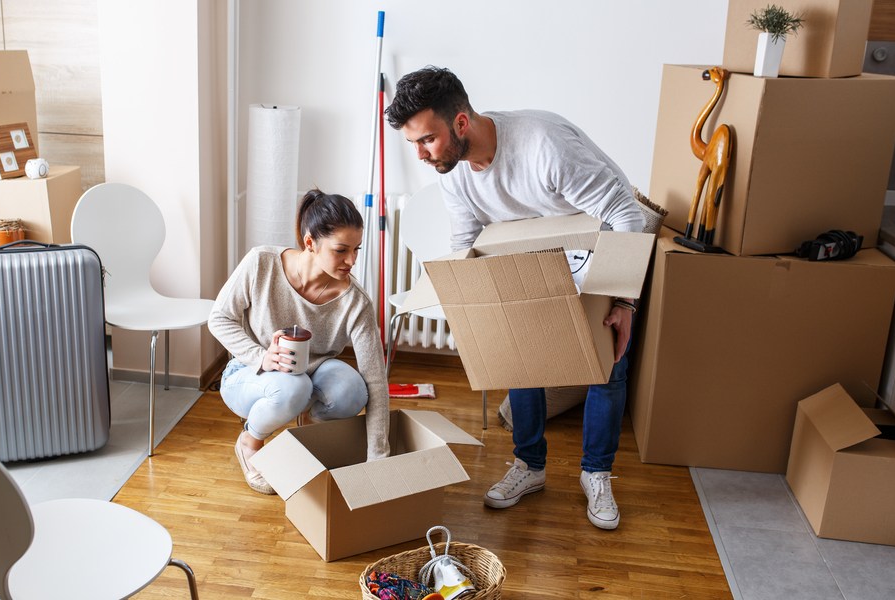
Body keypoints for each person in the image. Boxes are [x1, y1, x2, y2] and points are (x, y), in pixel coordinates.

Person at [385, 66, 644, 530]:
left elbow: (627, 216)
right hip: (534, 257)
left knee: (608, 366)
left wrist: (624, 302)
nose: (421, 155)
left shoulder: (545, 147)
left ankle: (597, 473)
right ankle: (531, 466)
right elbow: (467, 243)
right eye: (413, 144)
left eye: (427, 140)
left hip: (601, 247)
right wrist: (478, 314)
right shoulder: (454, 173)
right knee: (521, 356)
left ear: (461, 123)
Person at [208, 189, 390, 494]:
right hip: (249, 374)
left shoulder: (355, 302)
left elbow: (375, 382)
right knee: (294, 386)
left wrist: (378, 458)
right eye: (341, 250)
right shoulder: (261, 263)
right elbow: (219, 318)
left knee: (353, 389)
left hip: (312, 374)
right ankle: (249, 442)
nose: (352, 260)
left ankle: (307, 435)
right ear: (310, 243)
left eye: (357, 249)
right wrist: (260, 356)